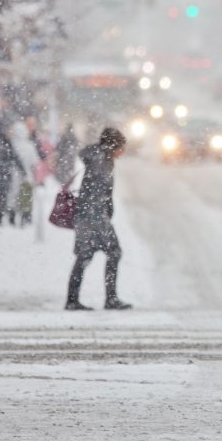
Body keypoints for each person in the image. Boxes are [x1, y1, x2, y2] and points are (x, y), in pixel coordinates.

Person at [66, 128, 131, 311]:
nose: (123, 152)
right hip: (93, 216)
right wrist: (103, 215)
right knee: (113, 252)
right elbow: (99, 191)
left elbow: (103, 192)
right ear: (113, 145)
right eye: (121, 147)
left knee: (85, 256)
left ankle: (73, 300)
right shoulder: (101, 160)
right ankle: (108, 298)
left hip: (90, 215)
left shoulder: (102, 157)